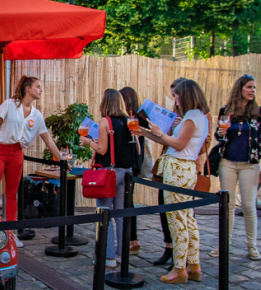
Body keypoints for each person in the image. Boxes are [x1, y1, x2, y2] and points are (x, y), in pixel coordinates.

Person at [133, 79, 210, 284]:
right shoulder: (198, 116)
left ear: (186, 96)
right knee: (187, 218)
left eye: (177, 96)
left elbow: (179, 144)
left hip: (178, 169)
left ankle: (179, 268)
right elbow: (171, 142)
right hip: (184, 168)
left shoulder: (191, 117)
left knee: (177, 219)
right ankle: (193, 264)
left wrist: (158, 132)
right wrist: (145, 133)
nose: (175, 100)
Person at [0, 76, 65, 222]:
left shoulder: (37, 115)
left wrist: (62, 160)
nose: (41, 90)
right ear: (28, 89)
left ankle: (11, 231)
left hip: (17, 154)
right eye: (38, 87)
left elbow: (48, 140)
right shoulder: (9, 105)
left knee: (12, 194)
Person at [210, 74, 261, 260]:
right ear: (240, 89)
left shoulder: (259, 112)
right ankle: (224, 245)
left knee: (248, 205)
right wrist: (220, 133)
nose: (253, 91)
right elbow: (219, 136)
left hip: (250, 165)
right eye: (249, 87)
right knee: (227, 205)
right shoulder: (226, 110)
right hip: (227, 162)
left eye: (254, 87)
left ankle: (252, 246)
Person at [80, 89, 138, 268]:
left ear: (105, 103)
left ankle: (109, 257)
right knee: (120, 216)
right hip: (126, 172)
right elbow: (137, 150)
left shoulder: (106, 122)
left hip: (110, 173)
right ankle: (121, 255)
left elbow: (102, 150)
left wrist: (89, 142)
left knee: (104, 214)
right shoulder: (128, 122)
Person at [150, 77, 186, 269]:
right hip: (167, 165)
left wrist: (181, 128)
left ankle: (182, 255)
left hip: (183, 169)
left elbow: (199, 146)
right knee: (164, 208)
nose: (175, 99)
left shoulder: (196, 116)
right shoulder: (175, 113)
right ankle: (169, 247)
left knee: (181, 214)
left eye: (176, 95)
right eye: (173, 95)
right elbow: (165, 140)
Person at [118, 86, 146, 255]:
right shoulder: (127, 118)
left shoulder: (137, 119)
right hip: (131, 162)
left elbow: (138, 146)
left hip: (132, 163)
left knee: (128, 202)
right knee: (127, 201)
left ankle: (132, 239)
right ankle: (130, 239)